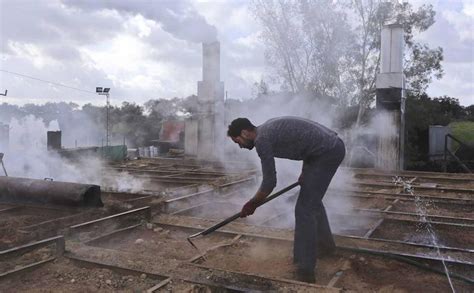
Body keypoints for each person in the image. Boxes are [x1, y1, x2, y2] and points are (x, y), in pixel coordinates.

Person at [227, 116, 345, 283]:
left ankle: (305, 271)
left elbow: (269, 182)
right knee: (312, 201)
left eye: (237, 141)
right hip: (326, 149)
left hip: (328, 152)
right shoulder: (266, 128)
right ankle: (326, 248)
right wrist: (305, 171)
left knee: (304, 209)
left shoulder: (262, 140)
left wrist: (252, 204)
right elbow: (307, 141)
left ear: (245, 132)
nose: (239, 146)